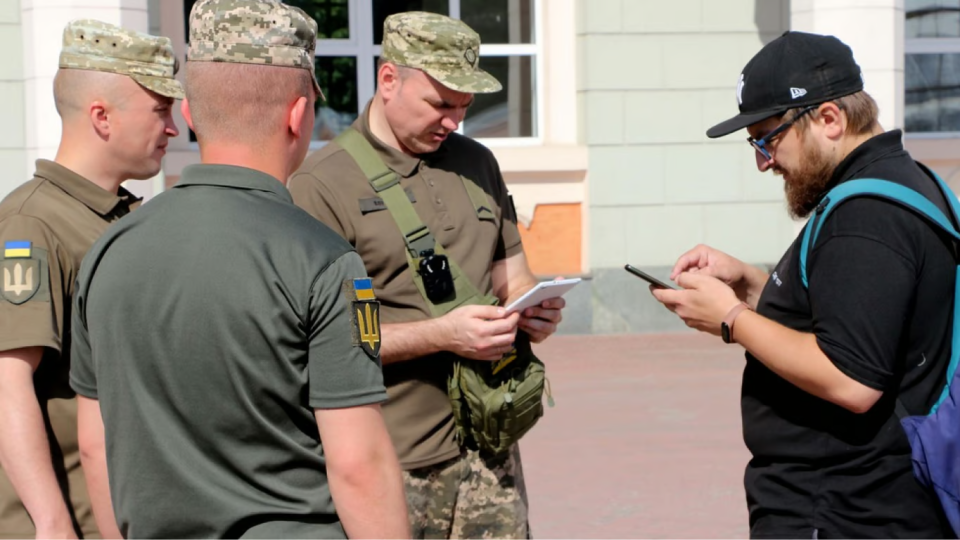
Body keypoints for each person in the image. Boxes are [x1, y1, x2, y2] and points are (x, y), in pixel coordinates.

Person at [67, 1, 409, 538]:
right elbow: (358, 464)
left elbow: (96, 443)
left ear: (189, 116)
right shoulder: (323, 260)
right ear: (298, 115)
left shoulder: (109, 250)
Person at [651, 31, 954, 538]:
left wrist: (731, 319)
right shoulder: (910, 181)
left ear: (829, 119)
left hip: (842, 510)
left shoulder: (866, 215)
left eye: (768, 139)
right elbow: (854, 312)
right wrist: (750, 283)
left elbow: (851, 379)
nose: (763, 161)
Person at [289, 11, 565, 539]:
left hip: (490, 445)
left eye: (464, 107)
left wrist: (534, 308)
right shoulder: (321, 184)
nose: (453, 122)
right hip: (393, 458)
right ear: (388, 80)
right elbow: (320, 342)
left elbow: (514, 275)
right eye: (440, 103)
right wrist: (442, 335)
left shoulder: (477, 162)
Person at [0, 19, 182, 539]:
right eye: (160, 111)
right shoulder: (32, 224)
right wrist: (52, 522)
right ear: (101, 117)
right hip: (76, 521)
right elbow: (7, 381)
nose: (172, 129)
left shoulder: (119, 218)